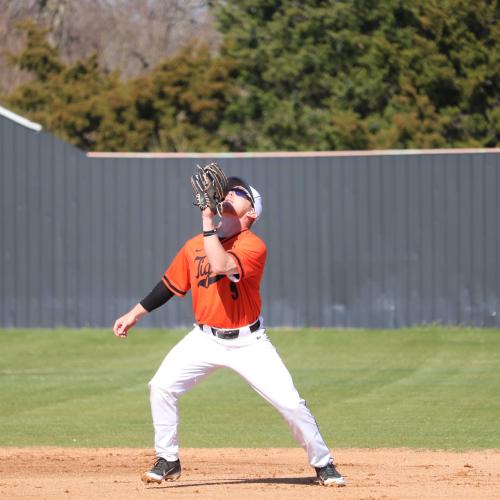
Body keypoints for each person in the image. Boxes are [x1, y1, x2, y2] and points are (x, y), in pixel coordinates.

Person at [112, 176, 346, 487]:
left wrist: (208, 221)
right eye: (229, 191)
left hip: (249, 342)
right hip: (204, 338)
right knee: (161, 387)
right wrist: (135, 314)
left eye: (239, 193)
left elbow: (221, 265)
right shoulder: (194, 245)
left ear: (252, 213)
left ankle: (323, 463)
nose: (230, 194)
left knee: (290, 403)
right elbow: (169, 286)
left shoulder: (253, 246)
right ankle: (168, 459)